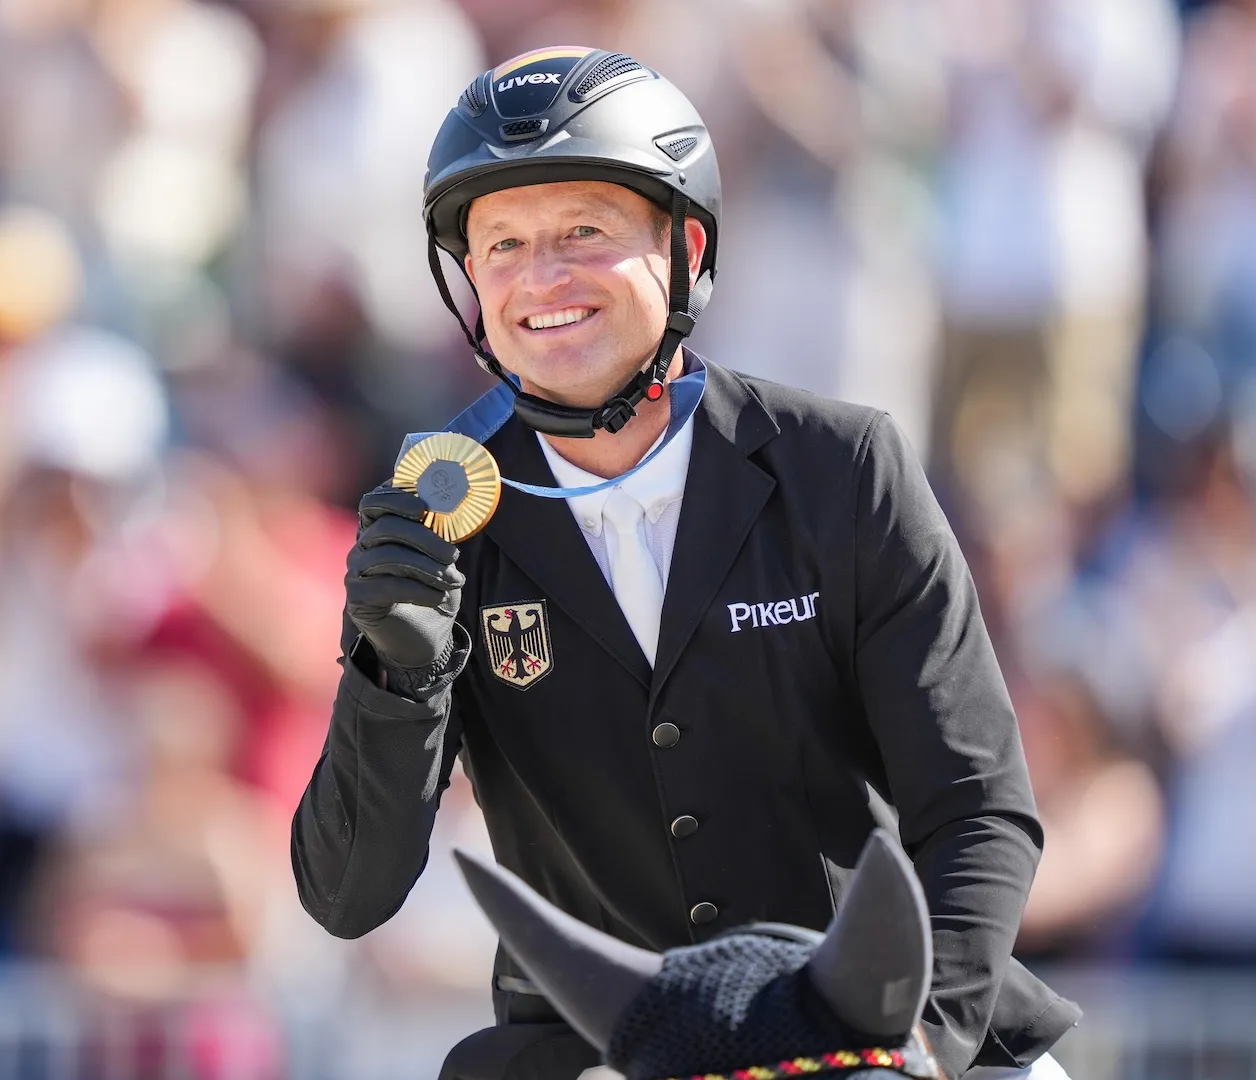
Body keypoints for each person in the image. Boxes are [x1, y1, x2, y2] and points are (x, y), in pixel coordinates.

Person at [291, 46, 1078, 1079]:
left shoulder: (843, 469)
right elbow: (348, 895)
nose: (542, 278)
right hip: (605, 1049)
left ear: (684, 245)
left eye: (584, 233)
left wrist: (922, 1041)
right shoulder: (437, 513)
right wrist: (395, 676)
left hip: (875, 1030)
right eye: (504, 245)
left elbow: (976, 808)